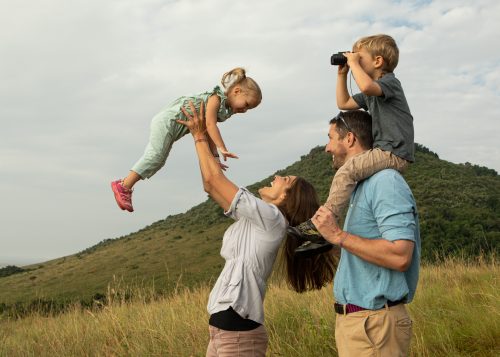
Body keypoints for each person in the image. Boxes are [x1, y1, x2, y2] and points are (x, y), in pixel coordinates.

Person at [178, 101, 337, 356]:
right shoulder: (258, 219)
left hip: (237, 333)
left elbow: (214, 180)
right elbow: (210, 185)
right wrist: (205, 140)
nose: (275, 177)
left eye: (282, 180)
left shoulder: (272, 218)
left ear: (286, 199)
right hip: (225, 332)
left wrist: (198, 136)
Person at [312, 110, 420, 356]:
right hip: (360, 323)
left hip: (375, 325)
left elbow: (401, 256)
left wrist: (340, 236)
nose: (327, 147)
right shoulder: (359, 186)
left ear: (349, 139)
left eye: (330, 138)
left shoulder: (385, 181)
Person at [294, 34, 414, 252]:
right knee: (351, 171)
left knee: (347, 170)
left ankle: (322, 226)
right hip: (385, 150)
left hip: (394, 151)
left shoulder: (390, 83)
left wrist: (352, 62)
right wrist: (342, 74)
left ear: (378, 62)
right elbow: (344, 103)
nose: (354, 60)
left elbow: (368, 87)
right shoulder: (372, 92)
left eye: (360, 58)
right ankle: (323, 226)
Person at [111, 67, 262, 212]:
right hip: (168, 121)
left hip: (170, 124)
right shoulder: (216, 98)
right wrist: (222, 148)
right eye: (246, 104)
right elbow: (210, 125)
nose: (244, 110)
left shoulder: (223, 108)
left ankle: (125, 185)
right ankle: (124, 185)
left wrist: (215, 157)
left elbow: (206, 130)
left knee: (159, 159)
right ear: (237, 91)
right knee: (156, 157)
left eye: (249, 109)